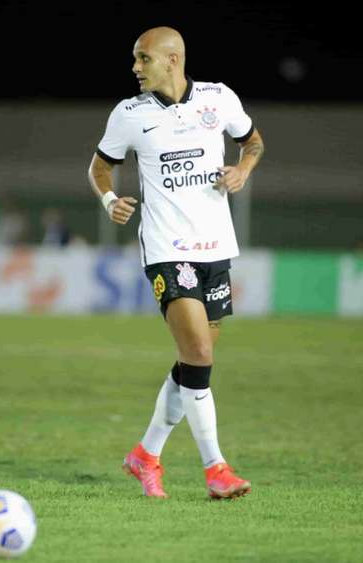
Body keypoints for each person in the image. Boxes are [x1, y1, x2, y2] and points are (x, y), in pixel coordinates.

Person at [87, 27, 264, 499]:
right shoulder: (129, 114)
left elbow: (253, 142)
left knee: (192, 362)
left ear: (171, 59)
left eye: (142, 58)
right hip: (168, 250)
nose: (135, 67)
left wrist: (242, 170)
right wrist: (108, 200)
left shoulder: (218, 99)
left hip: (215, 248)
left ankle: (145, 455)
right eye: (134, 59)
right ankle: (216, 470)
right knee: (201, 355)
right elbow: (100, 166)